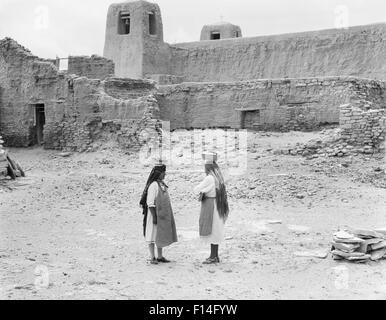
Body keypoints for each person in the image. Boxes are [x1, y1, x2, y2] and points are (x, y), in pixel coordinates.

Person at [194, 153, 229, 264]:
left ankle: (213, 257)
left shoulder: (209, 178)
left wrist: (202, 191)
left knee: (212, 230)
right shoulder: (218, 176)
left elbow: (197, 189)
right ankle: (215, 256)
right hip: (218, 205)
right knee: (216, 230)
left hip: (211, 206)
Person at [140, 164, 178, 264]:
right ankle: (152, 257)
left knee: (159, 235)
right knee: (152, 235)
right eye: (163, 172)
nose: (165, 174)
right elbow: (150, 203)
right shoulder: (153, 186)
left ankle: (160, 256)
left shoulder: (161, 184)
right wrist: (154, 217)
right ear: (158, 173)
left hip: (161, 215)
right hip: (154, 215)